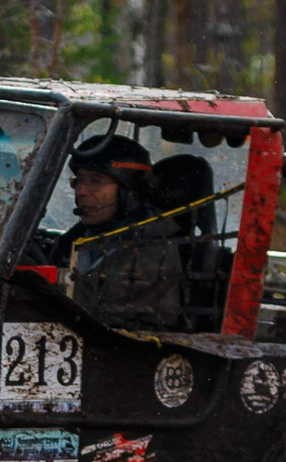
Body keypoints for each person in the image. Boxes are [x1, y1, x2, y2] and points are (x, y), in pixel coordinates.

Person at [33, 134, 188, 328]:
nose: (81, 190)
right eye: (78, 180)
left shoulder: (155, 249)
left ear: (129, 192)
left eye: (95, 181)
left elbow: (96, 311)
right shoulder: (81, 237)